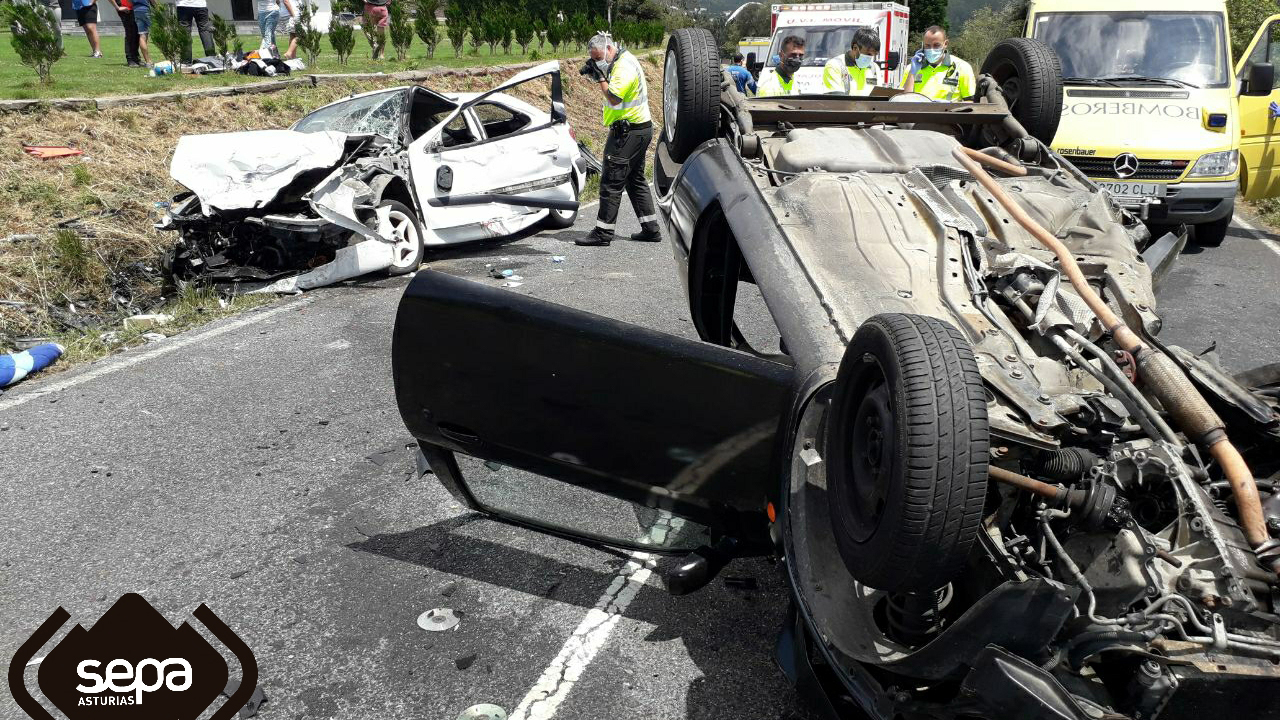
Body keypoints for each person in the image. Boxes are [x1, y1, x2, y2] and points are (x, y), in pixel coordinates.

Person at [576, 34, 659, 247]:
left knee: (612, 180)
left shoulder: (623, 67)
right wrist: (600, 71)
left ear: (609, 49)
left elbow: (614, 97)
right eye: (593, 60)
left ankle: (603, 233)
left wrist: (601, 78)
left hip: (628, 132)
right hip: (638, 129)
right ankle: (650, 228)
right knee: (635, 179)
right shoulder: (623, 60)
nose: (596, 62)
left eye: (597, 58)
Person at [901, 25, 975, 102]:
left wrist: (950, 106)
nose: (931, 49)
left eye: (936, 45)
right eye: (927, 46)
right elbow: (905, 101)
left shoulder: (962, 67)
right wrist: (912, 73)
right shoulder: (912, 68)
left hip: (948, 113)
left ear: (945, 44)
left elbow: (970, 101)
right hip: (919, 113)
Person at [822, 26, 880, 96]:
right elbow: (836, 101)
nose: (869, 58)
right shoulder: (834, 66)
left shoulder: (874, 68)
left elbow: (880, 97)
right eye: (868, 54)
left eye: (873, 55)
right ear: (855, 48)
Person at [109, 0, 142, 66]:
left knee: (136, 34)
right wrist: (117, 7)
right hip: (125, 9)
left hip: (134, 8)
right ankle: (130, 59)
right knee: (130, 33)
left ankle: (136, 59)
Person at [133, 0, 151, 65]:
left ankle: (148, 62)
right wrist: (158, 8)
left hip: (136, 10)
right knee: (159, 31)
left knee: (142, 35)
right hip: (146, 9)